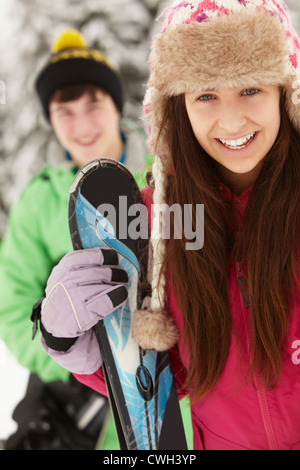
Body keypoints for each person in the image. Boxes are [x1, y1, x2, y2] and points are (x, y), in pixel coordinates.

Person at [34, 0, 300, 450]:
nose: (232, 119)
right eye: (206, 95)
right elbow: (161, 376)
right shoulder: (157, 223)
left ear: (284, 91)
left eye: (250, 88)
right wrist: (77, 340)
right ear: (178, 106)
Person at [0, 28, 151, 450]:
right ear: (50, 119)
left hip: (169, 394)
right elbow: (12, 306)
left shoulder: (163, 175)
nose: (81, 124)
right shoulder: (40, 200)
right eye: (64, 111)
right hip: (83, 401)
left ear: (115, 105)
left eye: (93, 105)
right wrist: (68, 357)